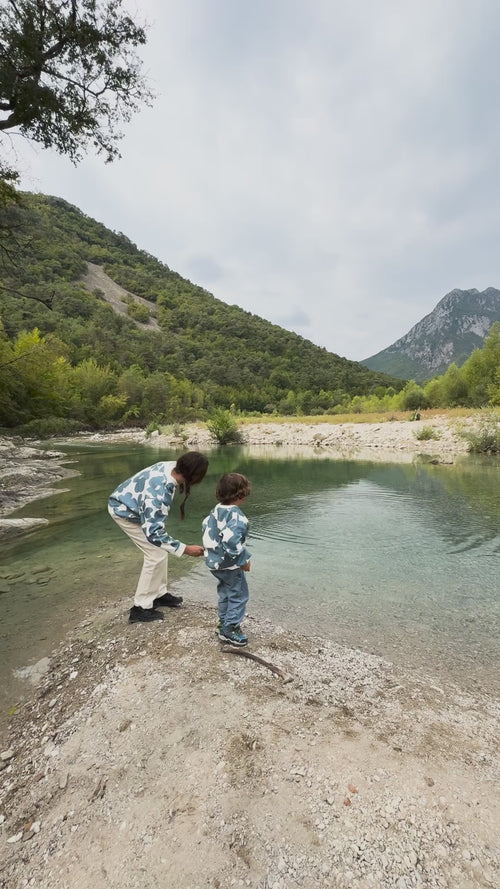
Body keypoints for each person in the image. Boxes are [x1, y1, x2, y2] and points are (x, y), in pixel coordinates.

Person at [108, 451, 209, 623]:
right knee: (155, 554)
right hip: (123, 510)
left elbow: (154, 523)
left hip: (133, 503)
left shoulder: (171, 466)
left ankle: (158, 594)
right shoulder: (159, 492)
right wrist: (185, 549)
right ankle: (140, 608)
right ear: (194, 476)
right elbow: (153, 533)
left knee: (160, 551)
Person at [202, 472, 252, 647]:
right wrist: (243, 560)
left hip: (214, 562)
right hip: (229, 565)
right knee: (239, 595)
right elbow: (231, 541)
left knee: (225, 593)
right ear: (242, 494)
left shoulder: (216, 510)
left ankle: (222, 623)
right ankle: (230, 628)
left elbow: (205, 526)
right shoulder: (236, 516)